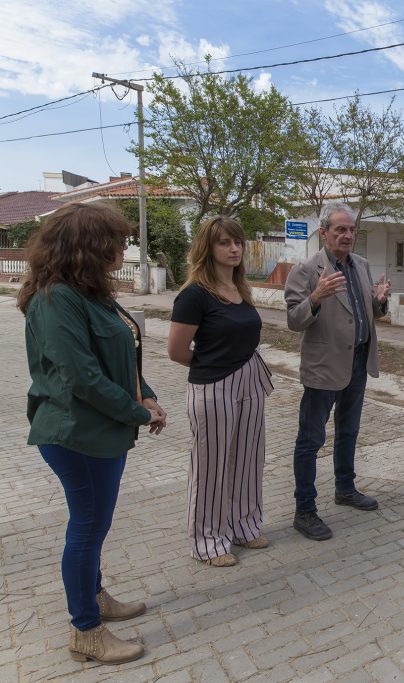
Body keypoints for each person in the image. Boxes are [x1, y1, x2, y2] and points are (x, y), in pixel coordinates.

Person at [19, 203, 166, 664]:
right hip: (75, 435)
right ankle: (85, 629)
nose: (124, 247)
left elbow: (125, 351)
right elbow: (81, 376)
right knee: (85, 529)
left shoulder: (92, 293)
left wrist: (146, 393)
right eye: (117, 240)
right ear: (89, 245)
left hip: (101, 431)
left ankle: (95, 596)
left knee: (95, 526)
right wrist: (137, 413)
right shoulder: (56, 298)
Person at [168, 216, 274, 567]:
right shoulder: (194, 294)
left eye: (237, 242)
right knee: (212, 466)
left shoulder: (241, 290)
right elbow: (177, 351)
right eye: (224, 242)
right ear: (207, 248)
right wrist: (213, 365)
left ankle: (245, 525)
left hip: (249, 381)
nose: (233, 249)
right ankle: (208, 540)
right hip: (213, 387)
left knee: (247, 459)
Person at [285, 202, 391, 541]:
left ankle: (345, 488)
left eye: (351, 230)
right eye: (340, 230)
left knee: (349, 432)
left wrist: (380, 301)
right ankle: (305, 510)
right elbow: (293, 320)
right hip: (323, 366)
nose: (347, 235)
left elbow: (366, 312)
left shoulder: (360, 264)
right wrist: (315, 297)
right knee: (311, 440)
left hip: (357, 362)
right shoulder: (305, 270)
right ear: (324, 232)